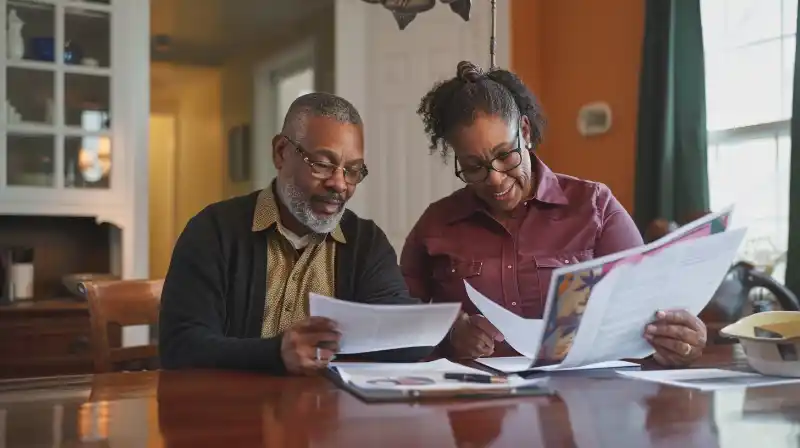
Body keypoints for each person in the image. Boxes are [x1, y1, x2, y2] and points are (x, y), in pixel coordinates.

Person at [400, 61, 707, 367]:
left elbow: (650, 311)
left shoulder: (595, 207)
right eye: (473, 167)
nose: (494, 178)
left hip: (581, 401)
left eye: (505, 155)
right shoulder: (436, 225)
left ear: (524, 131)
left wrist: (680, 341)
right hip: (472, 404)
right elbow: (399, 326)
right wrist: (450, 335)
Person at [159, 92, 430, 375]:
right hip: (232, 412)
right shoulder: (213, 231)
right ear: (281, 152)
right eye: (323, 164)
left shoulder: (367, 243)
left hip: (333, 415)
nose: (339, 184)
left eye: (352, 171)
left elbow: (402, 333)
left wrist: (447, 330)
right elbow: (180, 346)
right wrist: (275, 353)